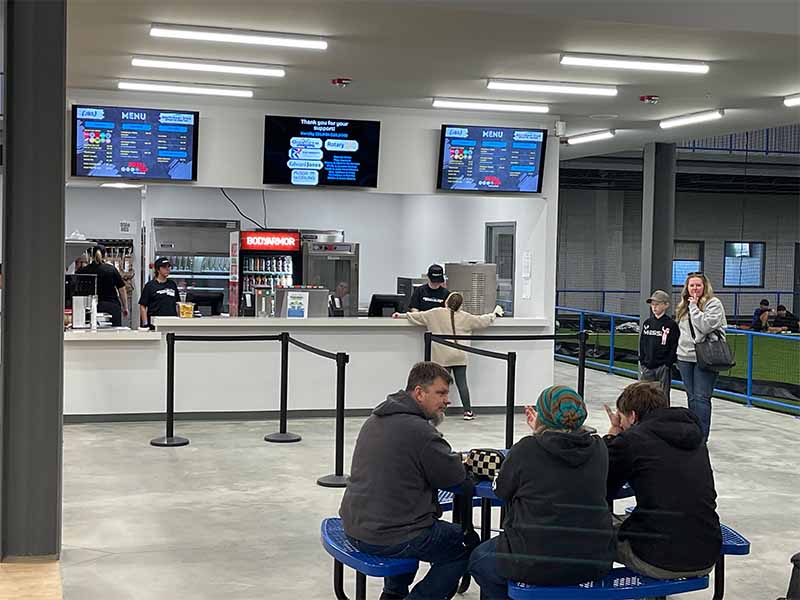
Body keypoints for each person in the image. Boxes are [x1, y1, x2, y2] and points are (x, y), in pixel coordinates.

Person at [339, 362, 473, 600]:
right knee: (462, 547)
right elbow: (457, 479)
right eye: (441, 393)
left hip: (355, 525)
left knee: (410, 524)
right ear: (419, 393)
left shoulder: (376, 418)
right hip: (386, 535)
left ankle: (393, 595)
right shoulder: (420, 431)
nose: (447, 400)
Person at [468, 386, 615, 598]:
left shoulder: (526, 449)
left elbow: (502, 490)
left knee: (478, 561)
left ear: (543, 416)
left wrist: (536, 434)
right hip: (594, 559)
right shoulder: (599, 448)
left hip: (533, 560)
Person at [603, 382, 721, 580]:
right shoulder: (694, 436)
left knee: (593, 530)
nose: (621, 423)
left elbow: (603, 483)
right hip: (707, 554)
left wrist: (613, 433)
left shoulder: (633, 440)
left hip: (657, 559)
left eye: (622, 418)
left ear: (632, 416)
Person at [394, 292, 503, 420]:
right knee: (462, 384)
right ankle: (468, 411)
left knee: (440, 385)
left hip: (442, 355)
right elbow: (483, 321)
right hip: (460, 355)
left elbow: (416, 316)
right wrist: (494, 314)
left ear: (446, 301)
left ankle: (439, 410)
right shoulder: (466, 317)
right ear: (461, 305)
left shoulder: (434, 313)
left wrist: (399, 315)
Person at [675, 272, 727, 439]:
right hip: (685, 357)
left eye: (698, 285)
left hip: (706, 357)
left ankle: (702, 437)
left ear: (705, 286)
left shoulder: (713, 304)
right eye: (692, 285)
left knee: (702, 398)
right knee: (691, 397)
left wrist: (694, 307)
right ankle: (693, 432)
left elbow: (705, 326)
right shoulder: (683, 305)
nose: (695, 288)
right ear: (687, 287)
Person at [638, 290, 679, 402]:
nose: (654, 307)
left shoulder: (670, 324)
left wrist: (668, 363)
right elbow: (643, 342)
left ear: (666, 305)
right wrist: (642, 360)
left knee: (662, 395)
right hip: (647, 365)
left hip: (662, 366)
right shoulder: (648, 323)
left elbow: (674, 345)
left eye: (657, 304)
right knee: (644, 394)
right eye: (652, 304)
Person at [77, 245, 128, 327]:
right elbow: (122, 289)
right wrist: (125, 307)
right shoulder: (111, 270)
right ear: (105, 255)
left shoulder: (84, 271)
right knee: (114, 335)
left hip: (90, 308)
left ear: (91, 256)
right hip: (111, 307)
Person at [139, 257, 179, 328]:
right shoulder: (150, 286)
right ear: (157, 269)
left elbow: (177, 304)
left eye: (169, 266)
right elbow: (142, 306)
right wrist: (145, 324)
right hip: (155, 323)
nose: (167, 269)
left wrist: (179, 319)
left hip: (171, 322)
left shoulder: (172, 284)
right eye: (164, 267)